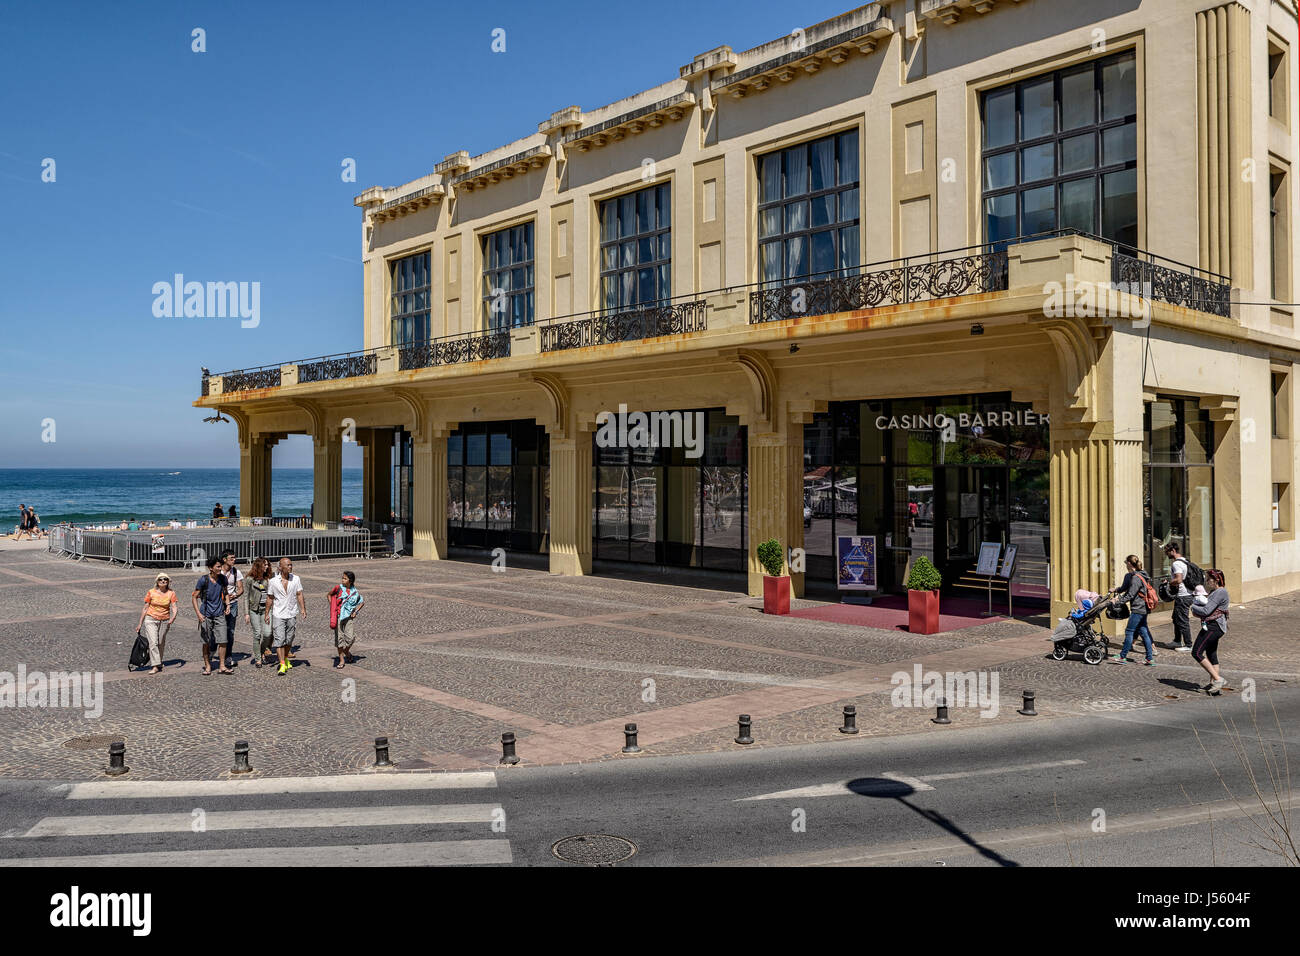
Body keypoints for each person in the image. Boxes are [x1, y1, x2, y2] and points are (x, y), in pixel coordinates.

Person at [1109, 554, 1157, 666]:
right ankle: (1149, 658)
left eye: (1126, 563)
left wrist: (1118, 601)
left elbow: (1130, 594)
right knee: (1144, 632)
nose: (1126, 566)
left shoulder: (1136, 578)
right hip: (1143, 608)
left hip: (1138, 609)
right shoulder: (1142, 575)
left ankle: (1122, 656)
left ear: (1130, 564)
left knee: (1129, 631)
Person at [1191, 568, 1230, 694]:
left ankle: (1218, 679)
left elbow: (1206, 610)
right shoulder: (1215, 592)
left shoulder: (1220, 592)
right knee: (1211, 653)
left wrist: (1193, 606)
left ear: (1216, 580)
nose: (1207, 581)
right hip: (1214, 626)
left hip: (1214, 626)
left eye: (1209, 579)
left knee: (1196, 652)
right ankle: (1214, 685)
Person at [265, 557, 306, 676]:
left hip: (291, 612)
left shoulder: (296, 579)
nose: (290, 567)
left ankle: (286, 657)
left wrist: (303, 608)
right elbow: (270, 598)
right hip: (278, 614)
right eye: (287, 565)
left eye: (291, 565)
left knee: (289, 639)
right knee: (279, 640)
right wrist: (267, 613)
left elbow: (299, 594)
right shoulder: (273, 581)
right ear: (280, 567)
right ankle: (282, 663)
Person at [192, 556, 232, 675]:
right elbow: (194, 597)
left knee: (223, 640)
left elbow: (226, 593)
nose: (220, 569)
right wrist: (198, 614)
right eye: (218, 567)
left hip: (219, 614)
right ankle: (207, 665)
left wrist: (228, 605)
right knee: (206, 642)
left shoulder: (223, 579)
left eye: (220, 566)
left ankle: (222, 665)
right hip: (206, 615)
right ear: (211, 568)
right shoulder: (203, 580)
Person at [137, 572, 178, 674]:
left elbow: (174, 607)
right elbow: (145, 607)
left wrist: (173, 618)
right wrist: (140, 623)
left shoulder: (171, 593)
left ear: (168, 582)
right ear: (157, 582)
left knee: (160, 643)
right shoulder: (151, 592)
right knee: (153, 642)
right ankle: (155, 665)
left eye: (165, 579)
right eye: (160, 579)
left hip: (164, 620)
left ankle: (158, 661)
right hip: (150, 619)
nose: (163, 581)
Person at [328, 571, 364, 669]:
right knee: (339, 639)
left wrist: (355, 611)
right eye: (342, 578)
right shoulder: (338, 588)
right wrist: (332, 607)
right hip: (338, 616)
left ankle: (346, 651)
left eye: (345, 578)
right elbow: (329, 595)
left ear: (350, 581)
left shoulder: (355, 592)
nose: (342, 580)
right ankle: (341, 660)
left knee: (350, 638)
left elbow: (361, 602)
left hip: (348, 617)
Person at [1163, 543, 1195, 652]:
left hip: (1183, 595)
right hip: (1188, 594)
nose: (1166, 554)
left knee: (1182, 620)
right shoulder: (1185, 560)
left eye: (1167, 552)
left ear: (1172, 551)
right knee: (1176, 618)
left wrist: (1169, 583)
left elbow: (1178, 579)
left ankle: (1188, 644)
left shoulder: (1177, 564)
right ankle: (1177, 640)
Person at [245, 557, 273, 668]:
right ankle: (258, 658)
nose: (267, 567)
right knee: (257, 633)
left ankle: (261, 652)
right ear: (259, 566)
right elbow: (246, 597)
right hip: (254, 610)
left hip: (266, 610)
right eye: (264, 565)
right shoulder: (250, 579)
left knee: (267, 633)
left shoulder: (268, 579)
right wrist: (246, 613)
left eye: (267, 565)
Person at [220, 550, 244, 666]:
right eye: (231, 558)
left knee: (230, 631)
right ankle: (213, 651)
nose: (234, 560)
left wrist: (234, 595)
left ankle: (228, 656)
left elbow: (241, 589)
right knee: (217, 631)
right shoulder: (218, 571)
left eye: (234, 558)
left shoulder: (236, 572)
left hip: (233, 603)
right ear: (224, 559)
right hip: (219, 604)